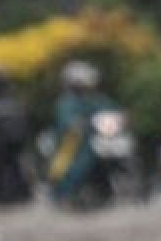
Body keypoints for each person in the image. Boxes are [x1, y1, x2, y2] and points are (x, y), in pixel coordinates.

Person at [47, 60, 117, 205]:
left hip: (97, 140)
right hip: (72, 144)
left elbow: (109, 111)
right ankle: (66, 194)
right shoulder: (66, 102)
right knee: (73, 167)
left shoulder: (95, 99)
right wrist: (79, 124)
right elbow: (68, 120)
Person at [0, 68, 32, 205]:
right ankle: (18, 194)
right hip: (16, 133)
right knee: (13, 164)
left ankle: (3, 195)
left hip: (1, 134)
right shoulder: (11, 93)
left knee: (1, 165)